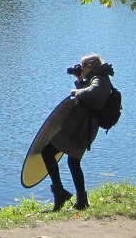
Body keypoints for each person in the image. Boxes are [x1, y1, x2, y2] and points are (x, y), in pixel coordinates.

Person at [39, 53, 115, 212]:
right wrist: (80, 81)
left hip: (80, 128)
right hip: (82, 127)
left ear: (91, 67)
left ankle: (61, 194)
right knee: (73, 162)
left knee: (47, 152)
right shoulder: (98, 77)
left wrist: (76, 92)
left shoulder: (99, 79)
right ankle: (81, 200)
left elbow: (93, 92)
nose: (81, 69)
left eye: (83, 66)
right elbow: (90, 95)